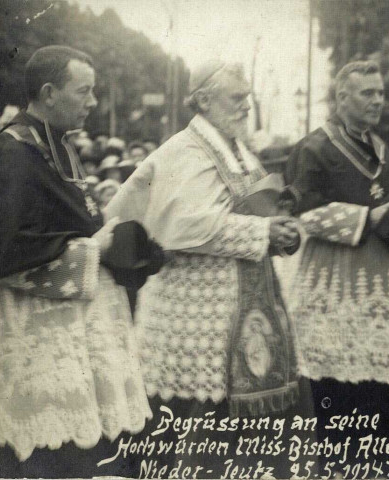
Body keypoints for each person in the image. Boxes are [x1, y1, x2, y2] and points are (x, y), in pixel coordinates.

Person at [104, 59, 308, 476]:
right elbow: (183, 228)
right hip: (195, 322)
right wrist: (264, 233)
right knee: (196, 442)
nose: (245, 107)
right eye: (236, 98)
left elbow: (255, 209)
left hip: (245, 313)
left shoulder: (239, 150)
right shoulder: (184, 150)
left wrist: (280, 230)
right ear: (203, 100)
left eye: (247, 98)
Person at [0, 45, 154, 478]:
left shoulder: (57, 147)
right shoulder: (7, 154)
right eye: (84, 91)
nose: (93, 103)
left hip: (82, 335)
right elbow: (1, 255)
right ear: (49, 92)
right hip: (38, 347)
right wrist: (97, 250)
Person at [284, 60, 389, 478]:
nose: (377, 100)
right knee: (333, 382)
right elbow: (301, 214)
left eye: (380, 93)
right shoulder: (313, 148)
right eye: (368, 93)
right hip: (333, 278)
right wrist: (366, 219)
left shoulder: (386, 152)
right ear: (342, 97)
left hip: (384, 281)